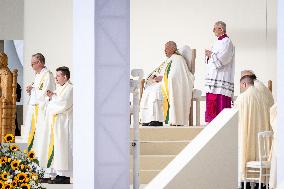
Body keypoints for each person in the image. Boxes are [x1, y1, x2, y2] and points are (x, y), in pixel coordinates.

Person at [140, 41, 194, 126]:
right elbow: (161, 72)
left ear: (174, 48)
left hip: (170, 84)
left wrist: (163, 78)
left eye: (167, 48)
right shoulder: (168, 60)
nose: (165, 50)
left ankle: (157, 120)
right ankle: (148, 118)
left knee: (155, 91)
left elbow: (177, 75)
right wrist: (155, 77)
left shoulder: (178, 59)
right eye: (164, 48)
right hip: (163, 83)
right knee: (149, 90)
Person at [235, 75, 272, 188]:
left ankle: (244, 182)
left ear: (244, 84)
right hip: (263, 151)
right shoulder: (264, 98)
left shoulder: (242, 98)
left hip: (248, 139)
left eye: (241, 86)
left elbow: (236, 118)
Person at [41, 66, 73, 184]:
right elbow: (54, 101)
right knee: (55, 148)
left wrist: (53, 98)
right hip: (55, 122)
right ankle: (53, 173)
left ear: (65, 76)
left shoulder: (70, 88)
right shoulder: (60, 88)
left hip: (63, 123)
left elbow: (63, 103)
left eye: (58, 76)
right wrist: (52, 97)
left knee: (62, 148)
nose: (56, 78)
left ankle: (64, 176)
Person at [24, 53, 55, 155]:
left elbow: (44, 93)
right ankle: (30, 157)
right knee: (29, 132)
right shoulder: (38, 75)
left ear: (40, 62)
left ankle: (36, 158)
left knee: (37, 134)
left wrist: (33, 89)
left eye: (33, 63)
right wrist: (31, 88)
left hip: (40, 108)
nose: (31, 66)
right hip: (33, 107)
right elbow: (37, 88)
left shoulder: (47, 75)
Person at [204, 21, 235, 123]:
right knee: (212, 99)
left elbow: (223, 59)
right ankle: (211, 123)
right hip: (213, 78)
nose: (213, 30)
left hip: (222, 76)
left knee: (220, 100)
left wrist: (211, 55)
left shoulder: (227, 42)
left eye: (215, 28)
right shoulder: (216, 41)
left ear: (221, 29)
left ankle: (221, 125)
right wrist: (209, 56)